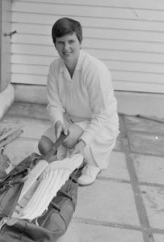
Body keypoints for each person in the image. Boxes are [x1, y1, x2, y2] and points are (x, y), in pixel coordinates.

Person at [38, 17, 119, 186]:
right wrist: (58, 122)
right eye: (60, 42)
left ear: (80, 42)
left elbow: (101, 115)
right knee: (44, 145)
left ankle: (92, 164)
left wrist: (83, 142)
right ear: (54, 44)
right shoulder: (55, 67)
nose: (66, 48)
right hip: (72, 120)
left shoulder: (94, 69)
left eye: (71, 41)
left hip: (100, 124)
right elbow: (54, 104)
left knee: (67, 140)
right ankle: (73, 161)